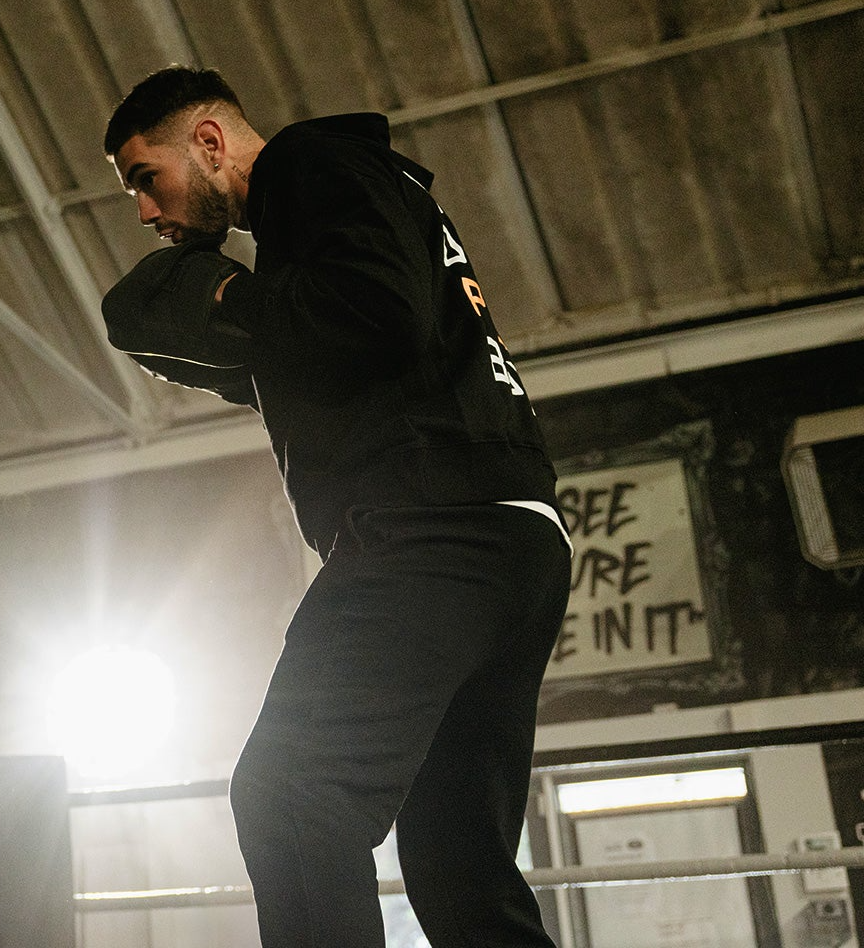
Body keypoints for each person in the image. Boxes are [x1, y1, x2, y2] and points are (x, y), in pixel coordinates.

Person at [99, 67, 572, 947]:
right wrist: (215, 334)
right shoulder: (352, 210)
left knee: (292, 792)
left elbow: (375, 317)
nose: (145, 210)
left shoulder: (310, 166)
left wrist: (221, 297)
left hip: (432, 534)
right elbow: (341, 346)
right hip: (513, 540)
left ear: (209, 142)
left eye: (145, 177)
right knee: (458, 864)